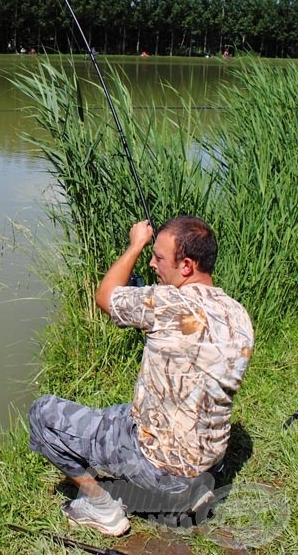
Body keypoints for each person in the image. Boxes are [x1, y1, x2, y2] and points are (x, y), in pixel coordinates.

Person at [29, 216, 254, 536]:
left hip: (165, 471)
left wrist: (136, 244)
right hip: (208, 459)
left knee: (43, 414)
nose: (152, 263)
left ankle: (102, 509)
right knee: (120, 413)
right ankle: (195, 486)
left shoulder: (166, 302)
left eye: (159, 257)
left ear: (186, 265)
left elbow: (106, 296)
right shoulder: (238, 315)